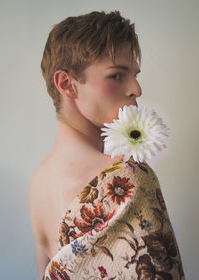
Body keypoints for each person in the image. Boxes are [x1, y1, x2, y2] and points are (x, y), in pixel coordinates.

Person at [29, 11, 185, 280]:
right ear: (67, 84)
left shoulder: (37, 182)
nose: (136, 88)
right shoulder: (126, 178)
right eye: (116, 76)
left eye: (134, 75)